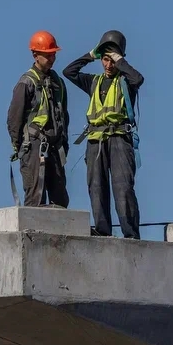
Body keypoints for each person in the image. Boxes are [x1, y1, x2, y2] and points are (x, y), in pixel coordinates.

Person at [63, 30, 143, 238]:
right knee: (96, 188)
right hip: (96, 141)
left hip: (119, 139)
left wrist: (120, 61)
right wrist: (91, 54)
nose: (108, 65)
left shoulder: (125, 81)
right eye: (105, 60)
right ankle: (103, 231)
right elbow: (68, 72)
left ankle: (130, 234)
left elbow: (138, 79)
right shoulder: (93, 82)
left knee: (123, 188)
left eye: (112, 60)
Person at [7, 30, 70, 207]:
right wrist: (20, 146)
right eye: (48, 55)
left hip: (55, 147)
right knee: (35, 195)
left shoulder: (58, 82)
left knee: (60, 198)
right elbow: (14, 118)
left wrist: (64, 143)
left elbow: (64, 115)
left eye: (53, 55)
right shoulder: (26, 82)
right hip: (34, 146)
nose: (52, 58)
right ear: (35, 55)